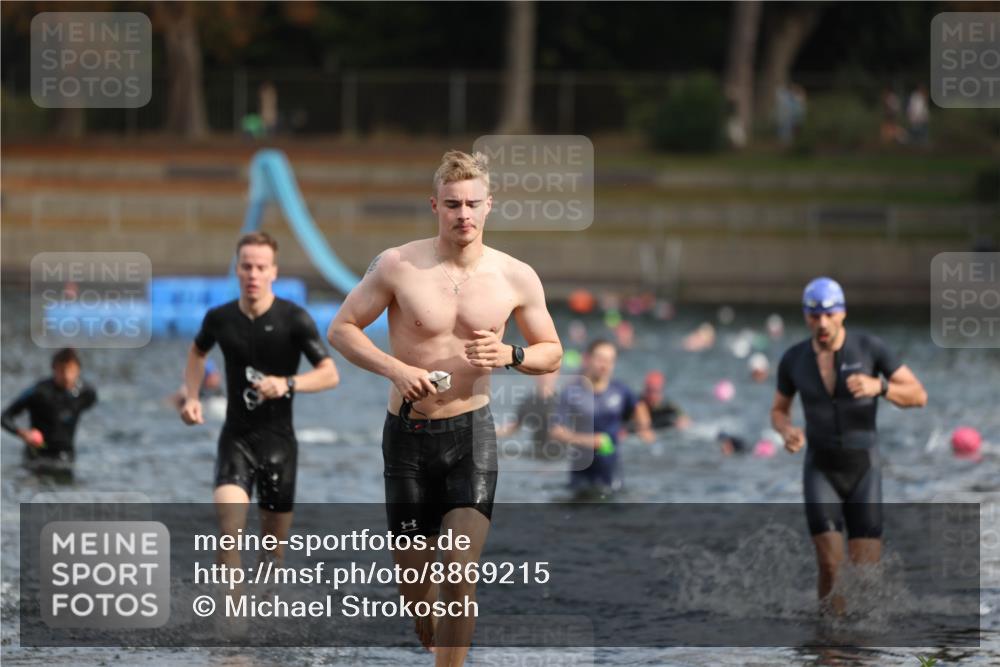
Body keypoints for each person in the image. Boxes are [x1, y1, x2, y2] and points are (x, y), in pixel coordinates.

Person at [327, 150, 561, 665]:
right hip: (407, 437)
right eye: (453, 204)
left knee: (459, 572)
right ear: (435, 205)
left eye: (473, 204)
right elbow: (341, 329)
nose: (463, 214)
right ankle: (424, 617)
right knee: (418, 589)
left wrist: (511, 354)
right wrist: (395, 369)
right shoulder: (397, 265)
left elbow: (552, 352)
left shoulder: (515, 276)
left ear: (489, 206)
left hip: (471, 436)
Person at [179, 232, 340, 578]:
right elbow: (197, 352)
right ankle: (231, 627)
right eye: (246, 266)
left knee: (272, 554)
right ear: (237, 269)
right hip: (236, 439)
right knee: (228, 540)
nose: (253, 274)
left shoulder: (294, 319)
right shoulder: (219, 319)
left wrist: (288, 383)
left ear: (273, 272)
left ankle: (266, 616)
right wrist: (192, 397)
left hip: (280, 445)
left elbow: (330, 374)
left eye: (260, 267)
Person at [770, 277, 927, 612]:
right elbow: (779, 410)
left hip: (863, 470)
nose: (822, 323)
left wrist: (880, 387)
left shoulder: (870, 348)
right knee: (829, 567)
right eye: (814, 316)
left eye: (829, 314)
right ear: (806, 317)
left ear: (842, 313)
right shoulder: (793, 359)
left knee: (866, 575)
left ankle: (862, 650)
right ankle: (829, 646)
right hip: (820, 470)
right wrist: (786, 432)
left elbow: (919, 395)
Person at [549, 339, 655, 495]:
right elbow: (555, 431)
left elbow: (639, 407)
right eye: (600, 359)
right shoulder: (571, 391)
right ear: (587, 359)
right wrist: (589, 440)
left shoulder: (620, 390)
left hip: (611, 468)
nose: (604, 365)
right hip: (582, 470)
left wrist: (644, 428)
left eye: (610, 360)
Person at [1, 348, 97, 478]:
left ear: (78, 370)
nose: (67, 376)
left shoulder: (86, 393)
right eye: (62, 370)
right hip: (37, 456)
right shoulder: (38, 392)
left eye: (72, 371)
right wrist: (24, 434)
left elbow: (92, 401)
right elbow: (5, 417)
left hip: (65, 457)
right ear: (54, 369)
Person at [495, 370, 562, 460]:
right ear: (534, 375)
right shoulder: (528, 402)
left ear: (557, 374)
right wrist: (488, 433)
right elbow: (512, 428)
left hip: (559, 457)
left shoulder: (563, 402)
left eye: (549, 373)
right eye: (541, 373)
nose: (545, 377)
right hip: (536, 454)